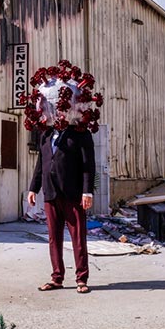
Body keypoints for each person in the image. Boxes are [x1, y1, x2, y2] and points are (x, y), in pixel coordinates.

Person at [27, 125, 95, 294]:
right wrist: (33, 188)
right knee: (54, 238)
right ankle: (57, 278)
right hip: (51, 192)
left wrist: (87, 192)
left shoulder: (80, 134)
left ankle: (81, 279)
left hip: (73, 193)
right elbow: (41, 164)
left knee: (78, 237)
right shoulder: (46, 135)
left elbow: (88, 164)